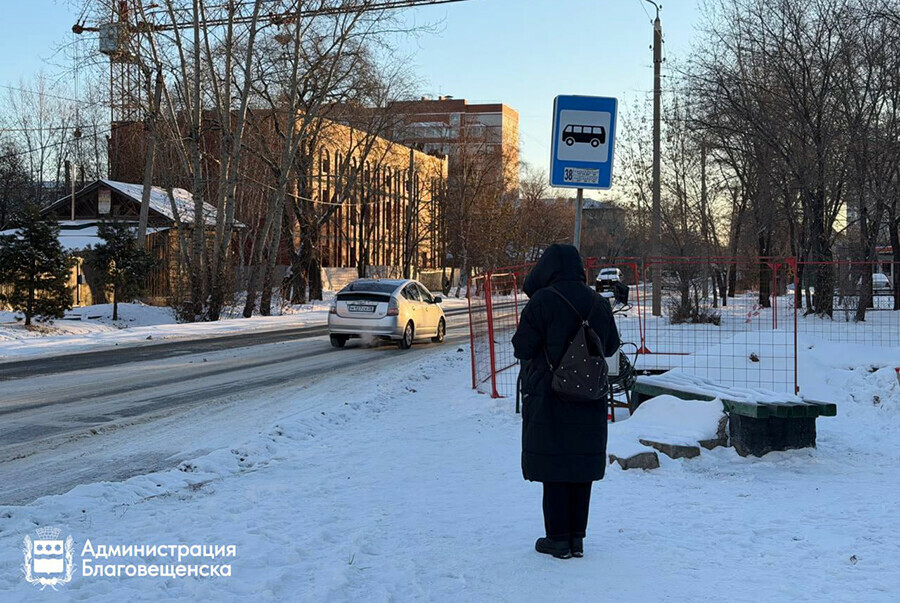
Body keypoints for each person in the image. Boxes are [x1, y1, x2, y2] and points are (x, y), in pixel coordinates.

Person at [512, 244, 620, 559]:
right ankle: (576, 539)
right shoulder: (598, 303)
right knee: (581, 464)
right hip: (589, 394)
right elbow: (611, 346)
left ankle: (557, 539)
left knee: (555, 464)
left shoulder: (543, 301)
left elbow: (524, 348)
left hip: (549, 396)